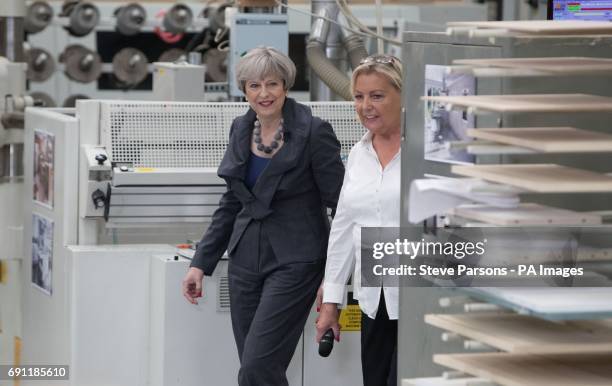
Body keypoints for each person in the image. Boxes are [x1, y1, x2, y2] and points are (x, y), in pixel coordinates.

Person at [182, 46, 344, 386]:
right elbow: (231, 202)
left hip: (295, 261)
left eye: (272, 84)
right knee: (257, 368)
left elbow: (339, 205)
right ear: (244, 90)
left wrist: (334, 277)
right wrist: (200, 263)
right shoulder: (241, 130)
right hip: (244, 261)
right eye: (254, 86)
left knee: (257, 366)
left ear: (286, 86)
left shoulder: (314, 132)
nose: (264, 93)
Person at [316, 54, 403, 386]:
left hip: (418, 294)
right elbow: (344, 229)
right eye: (359, 96)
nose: (366, 105)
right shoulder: (358, 154)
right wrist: (331, 301)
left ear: (402, 95)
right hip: (373, 298)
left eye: (377, 95)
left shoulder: (426, 152)